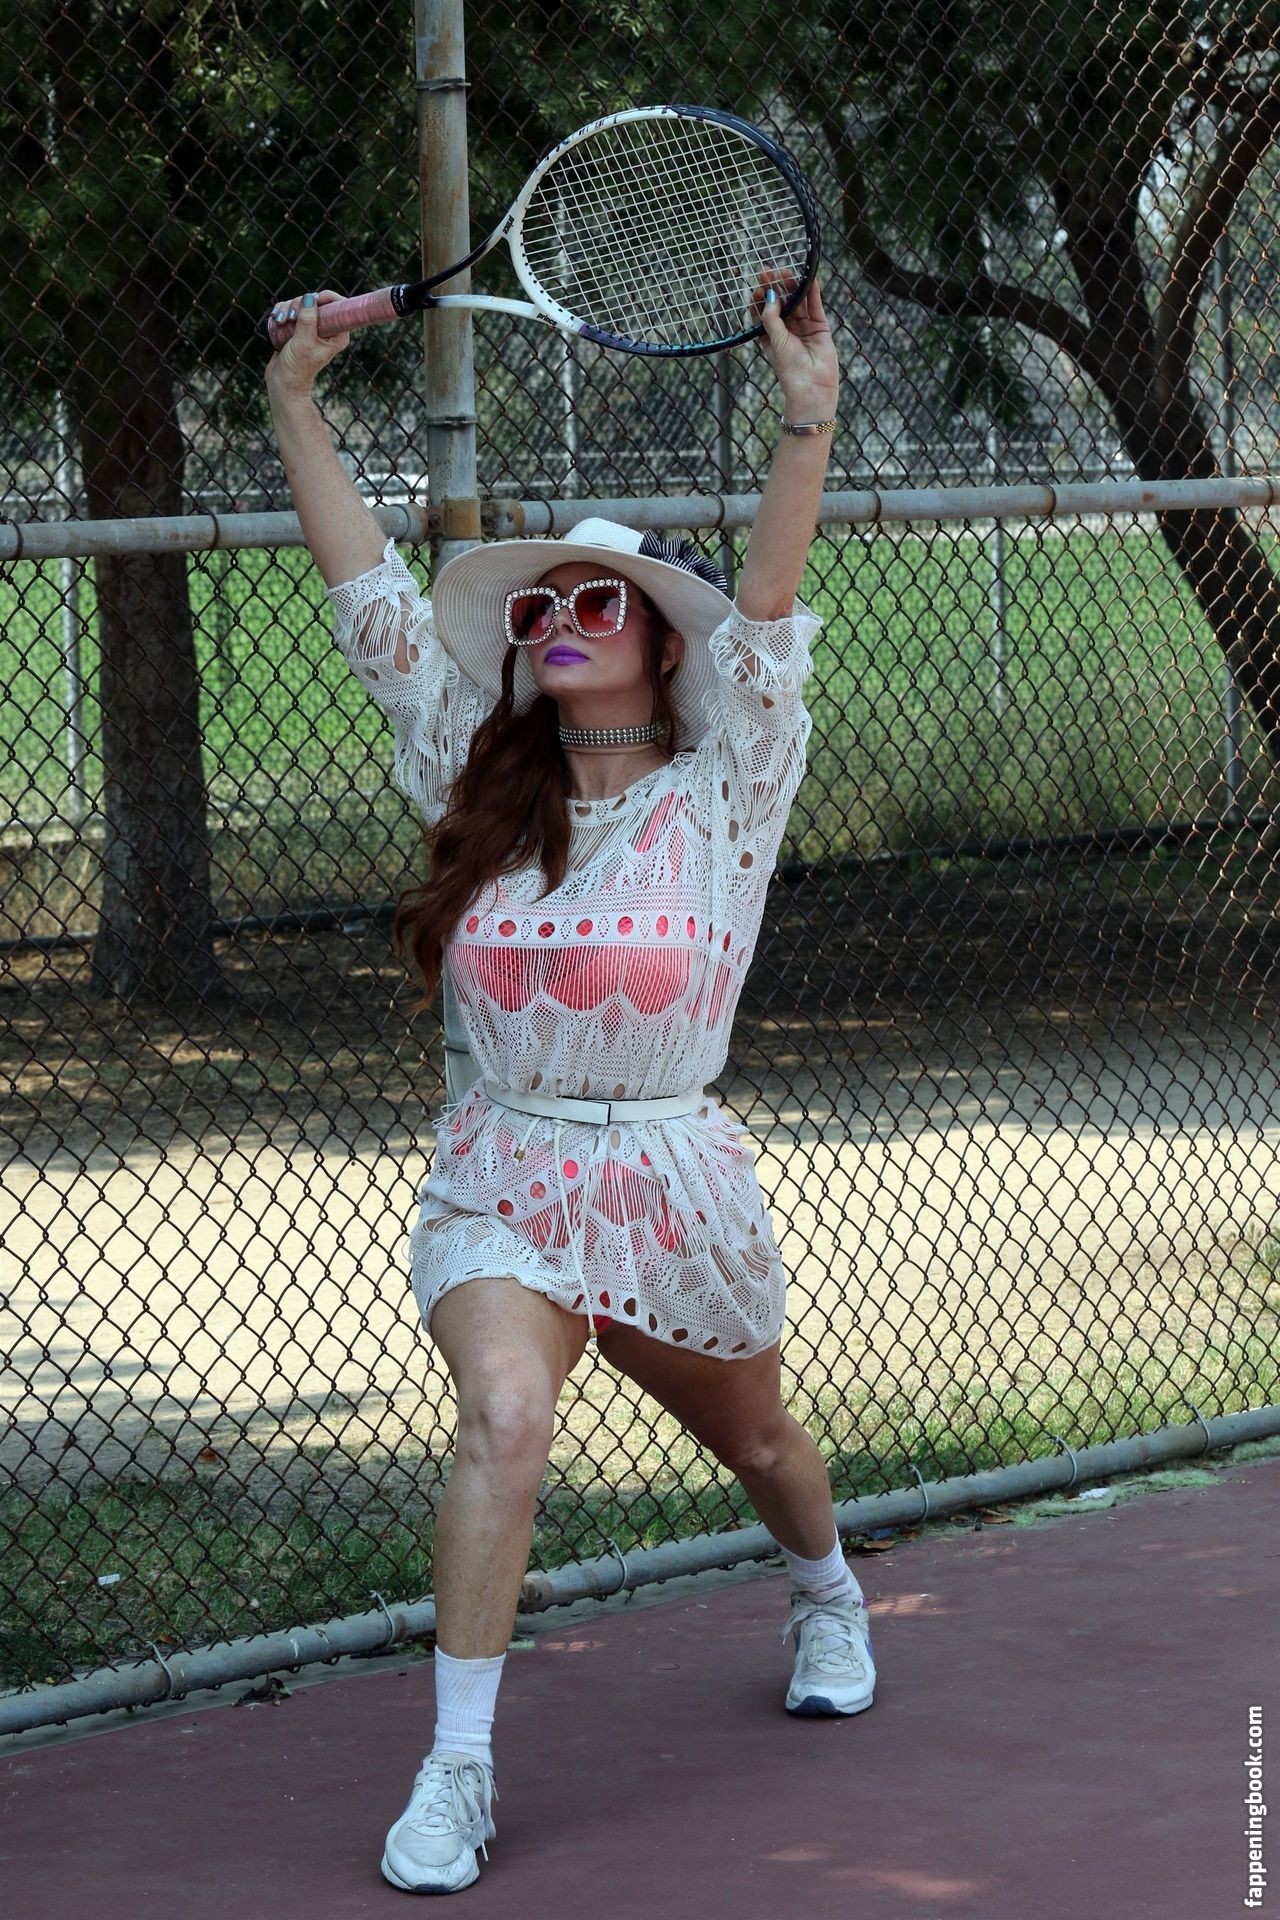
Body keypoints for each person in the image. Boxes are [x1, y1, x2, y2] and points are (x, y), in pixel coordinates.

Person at [265, 273, 875, 1897]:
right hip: (507, 1171)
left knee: (763, 1446)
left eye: (599, 600)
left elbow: (768, 603)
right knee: (506, 1416)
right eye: (539, 609)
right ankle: (458, 1770)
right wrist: (295, 402)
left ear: (662, 642)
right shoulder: (471, 768)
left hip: (672, 1178)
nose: (557, 619)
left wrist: (806, 417)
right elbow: (368, 595)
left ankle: (826, 1594)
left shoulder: (731, 783)